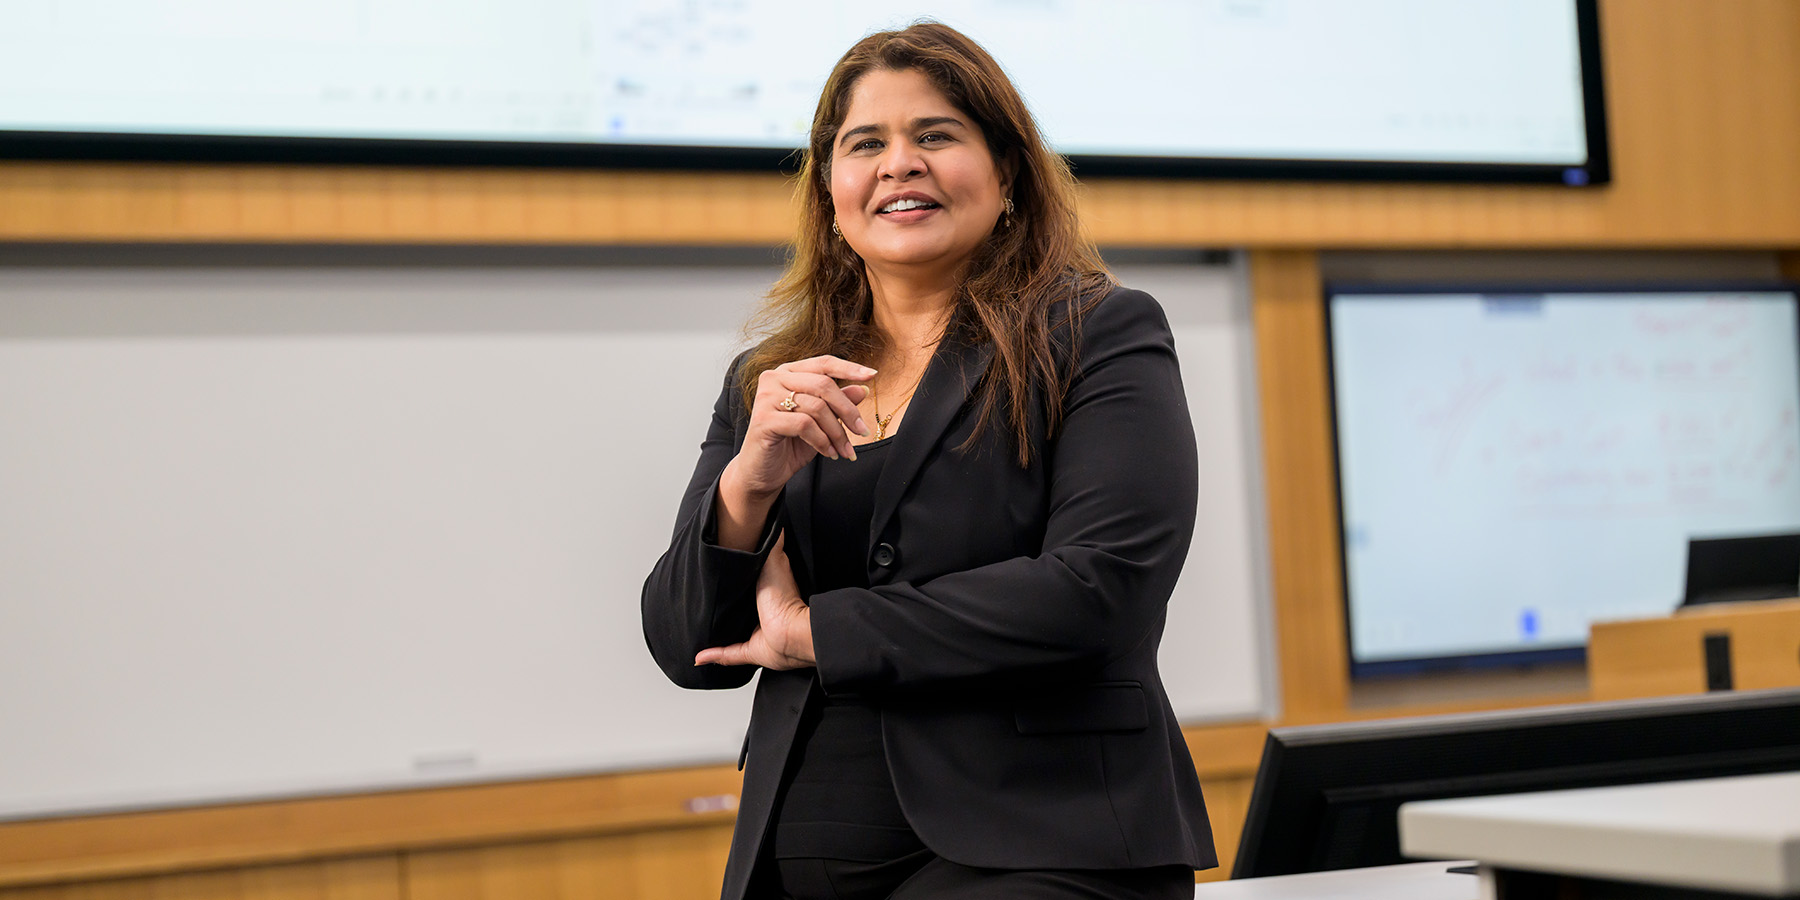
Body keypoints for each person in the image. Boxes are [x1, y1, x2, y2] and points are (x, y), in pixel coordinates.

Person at [642, 21, 1214, 900]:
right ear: (832, 191)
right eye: (865, 143)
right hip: (803, 842)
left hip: (1043, 843)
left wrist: (819, 633)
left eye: (936, 136)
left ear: (1007, 175)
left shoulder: (1100, 332)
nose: (898, 163)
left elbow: (1099, 588)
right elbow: (691, 644)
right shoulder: (772, 381)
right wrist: (747, 485)